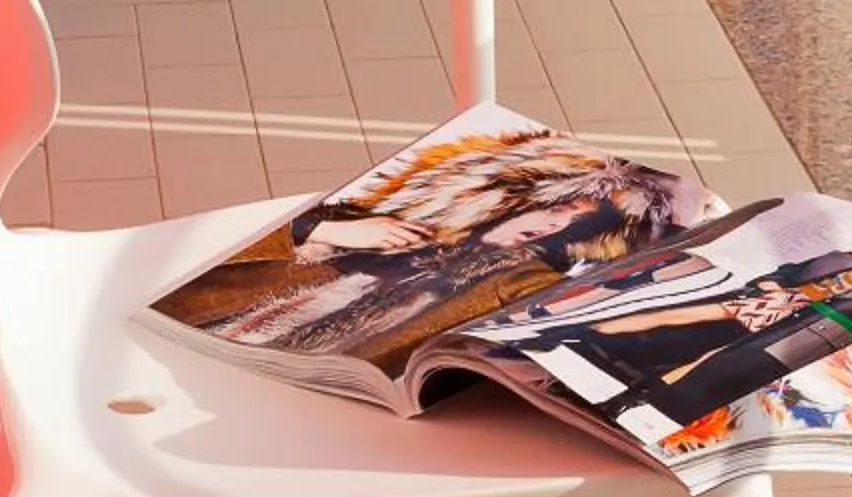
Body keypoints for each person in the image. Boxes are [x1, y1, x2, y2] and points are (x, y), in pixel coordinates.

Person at [156, 125, 720, 375]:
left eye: (580, 231)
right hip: (180, 345)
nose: (549, 230)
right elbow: (210, 283)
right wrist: (322, 233)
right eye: (558, 210)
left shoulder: (511, 286)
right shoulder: (364, 222)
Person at [511, 236, 852, 432]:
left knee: (712, 356)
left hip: (803, 323)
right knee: (673, 316)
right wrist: (771, 282)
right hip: (784, 301)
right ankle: (568, 334)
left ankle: (635, 396)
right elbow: (795, 272)